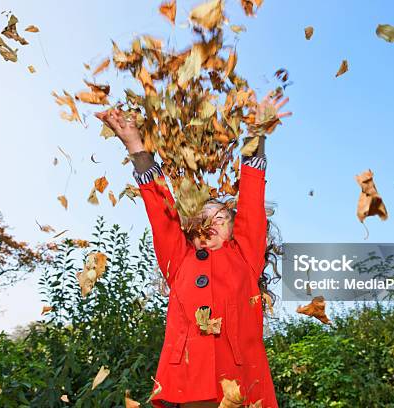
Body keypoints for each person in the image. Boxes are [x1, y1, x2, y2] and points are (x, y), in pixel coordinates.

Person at [96, 92, 290, 408]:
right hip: (187, 384)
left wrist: (256, 133)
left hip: (239, 382)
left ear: (234, 229)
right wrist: (136, 147)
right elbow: (160, 212)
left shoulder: (245, 257)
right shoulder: (180, 259)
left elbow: (252, 202)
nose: (211, 222)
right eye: (202, 218)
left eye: (221, 218)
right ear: (188, 230)